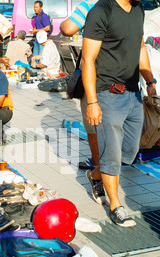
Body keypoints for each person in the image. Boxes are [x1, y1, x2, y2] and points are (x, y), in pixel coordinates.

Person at [81, 0, 157, 228]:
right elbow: (88, 59)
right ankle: (115, 205)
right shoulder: (101, 11)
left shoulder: (138, 9)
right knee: (112, 153)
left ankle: (96, 174)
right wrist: (92, 102)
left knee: (130, 152)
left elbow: (140, 47)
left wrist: (150, 80)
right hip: (108, 93)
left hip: (134, 93)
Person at [60, 0, 100, 173]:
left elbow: (67, 29)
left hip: (95, 70)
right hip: (121, 72)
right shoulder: (129, 5)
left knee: (92, 119)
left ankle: (97, 161)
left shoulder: (91, 4)